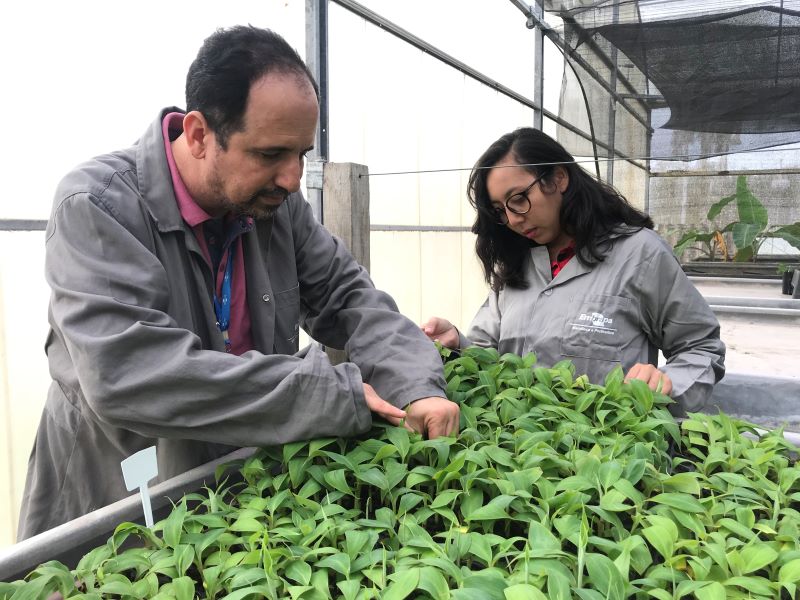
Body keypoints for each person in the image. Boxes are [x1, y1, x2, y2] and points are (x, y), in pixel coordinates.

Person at [19, 25, 459, 540]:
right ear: (201, 133)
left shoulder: (276, 207)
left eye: (301, 153)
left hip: (229, 492)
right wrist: (328, 394)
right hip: (116, 501)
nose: (293, 178)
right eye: (271, 154)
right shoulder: (99, 206)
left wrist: (415, 387)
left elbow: (350, 296)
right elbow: (129, 375)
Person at [423, 127, 724, 413]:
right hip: (522, 456)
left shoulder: (639, 254)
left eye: (518, 199)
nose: (513, 220)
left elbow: (701, 347)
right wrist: (457, 344)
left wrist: (667, 382)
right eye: (501, 210)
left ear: (558, 179)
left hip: (609, 454)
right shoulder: (517, 265)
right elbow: (485, 354)